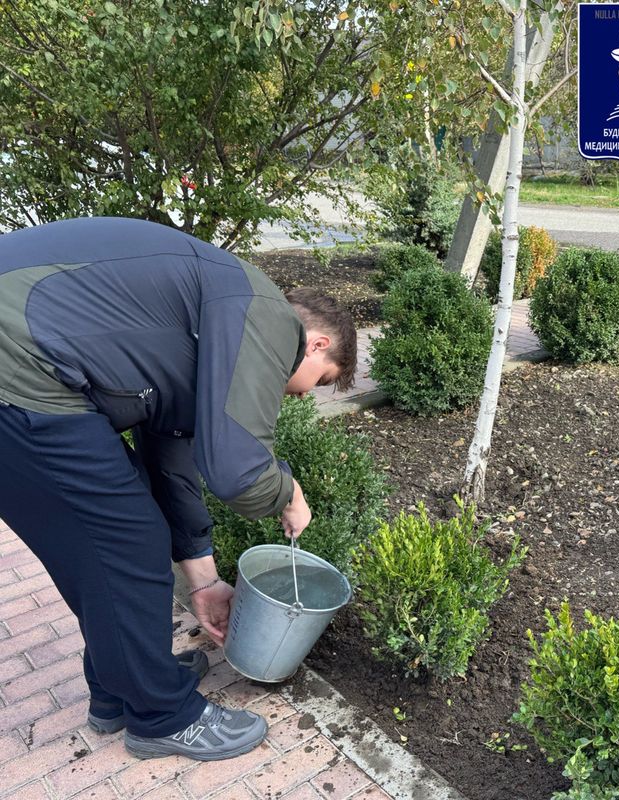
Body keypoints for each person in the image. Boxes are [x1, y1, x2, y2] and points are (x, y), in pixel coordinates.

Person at [0, 217, 357, 761]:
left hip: (24, 370)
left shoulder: (208, 327)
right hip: (19, 372)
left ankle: (121, 688)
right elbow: (237, 473)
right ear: (316, 344)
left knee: (103, 544)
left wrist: (204, 582)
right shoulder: (266, 313)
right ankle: (162, 716)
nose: (306, 396)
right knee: (127, 541)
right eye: (322, 380)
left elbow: (171, 459)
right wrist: (289, 492)